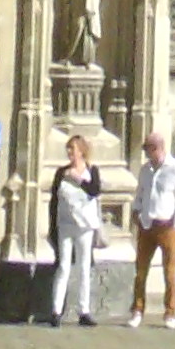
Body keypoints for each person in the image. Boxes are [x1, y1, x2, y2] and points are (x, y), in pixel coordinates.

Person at [126, 125, 175, 329]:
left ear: (158, 148)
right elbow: (140, 193)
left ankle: (170, 312)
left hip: (167, 226)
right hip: (147, 225)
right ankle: (137, 310)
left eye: (148, 149)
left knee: (169, 272)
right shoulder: (145, 170)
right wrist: (136, 211)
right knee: (141, 271)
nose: (147, 154)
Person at [43, 134, 105, 329]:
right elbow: (54, 200)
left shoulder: (92, 171)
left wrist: (78, 179)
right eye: (68, 149)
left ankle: (83, 311)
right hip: (65, 225)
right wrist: (52, 227)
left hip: (85, 226)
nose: (70, 152)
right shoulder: (61, 172)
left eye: (73, 149)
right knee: (63, 267)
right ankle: (56, 311)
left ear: (82, 151)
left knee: (84, 267)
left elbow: (95, 190)